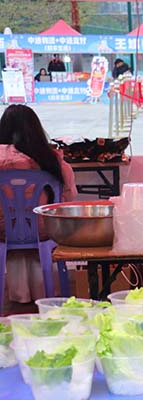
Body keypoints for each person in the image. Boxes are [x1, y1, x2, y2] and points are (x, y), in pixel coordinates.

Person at [0, 104, 76, 304]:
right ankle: (51, 297)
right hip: (45, 231)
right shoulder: (53, 161)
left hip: (2, 231)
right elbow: (68, 201)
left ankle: (14, 298)